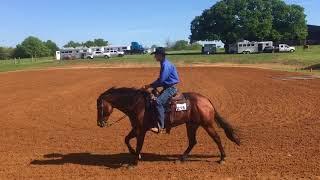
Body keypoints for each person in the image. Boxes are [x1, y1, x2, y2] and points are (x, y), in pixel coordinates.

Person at [143, 47, 180, 133]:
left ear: (160, 55)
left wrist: (149, 85)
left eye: (155, 55)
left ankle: (160, 126)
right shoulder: (164, 63)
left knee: (158, 102)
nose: (154, 57)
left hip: (170, 88)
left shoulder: (166, 65)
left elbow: (161, 80)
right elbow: (161, 80)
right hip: (167, 87)